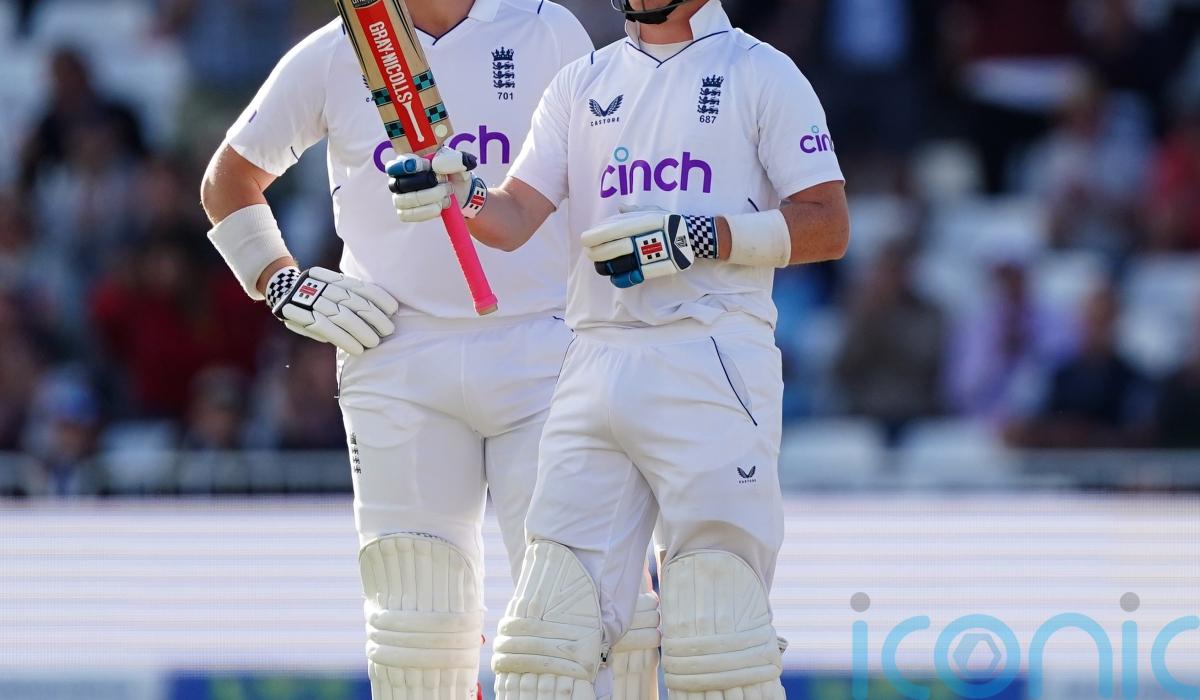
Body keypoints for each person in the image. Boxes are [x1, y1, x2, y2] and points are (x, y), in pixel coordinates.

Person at [199, 2, 660, 699]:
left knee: (575, 617)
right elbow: (228, 180)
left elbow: (610, 175)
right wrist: (279, 281)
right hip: (395, 352)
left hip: (546, 345)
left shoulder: (547, 29)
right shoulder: (339, 49)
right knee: (416, 636)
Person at [389, 1, 850, 698]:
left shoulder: (761, 72)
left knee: (718, 644)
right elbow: (513, 217)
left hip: (710, 358)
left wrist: (701, 237)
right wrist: (463, 194)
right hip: (593, 359)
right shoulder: (582, 81)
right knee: (542, 646)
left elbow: (829, 225)